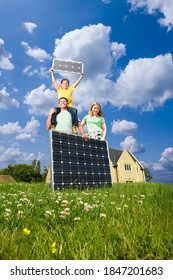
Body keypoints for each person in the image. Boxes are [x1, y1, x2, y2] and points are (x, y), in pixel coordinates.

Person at [50, 69, 84, 134]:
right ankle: (53, 125)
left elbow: (76, 83)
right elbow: (54, 81)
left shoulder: (70, 89)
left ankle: (73, 126)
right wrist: (52, 73)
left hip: (69, 107)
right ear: (61, 84)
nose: (65, 84)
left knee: (74, 111)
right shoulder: (59, 89)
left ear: (68, 85)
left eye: (67, 83)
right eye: (64, 83)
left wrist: (81, 76)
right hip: (61, 107)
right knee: (54, 111)